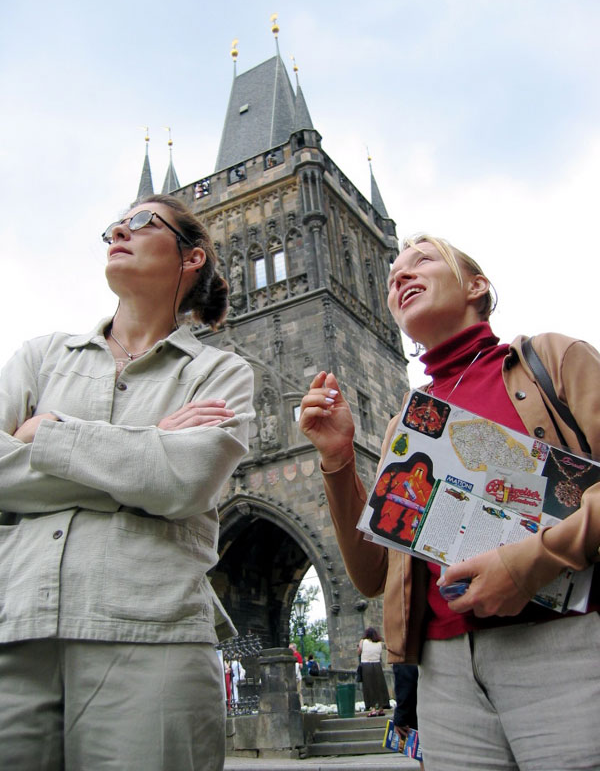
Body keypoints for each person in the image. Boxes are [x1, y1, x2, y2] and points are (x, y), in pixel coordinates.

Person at [300, 234, 600, 770]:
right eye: (392, 277)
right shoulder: (407, 422)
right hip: (444, 674)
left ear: (476, 287)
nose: (400, 276)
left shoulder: (552, 359)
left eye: (423, 261)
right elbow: (373, 575)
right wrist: (338, 459)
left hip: (566, 643)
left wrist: (528, 564)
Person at [0, 194, 255, 771]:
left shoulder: (219, 372)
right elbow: (160, 476)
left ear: (192, 257)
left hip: (152, 635)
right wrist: (148, 444)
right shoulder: (42, 357)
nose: (119, 230)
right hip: (14, 624)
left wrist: (48, 433)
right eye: (114, 225)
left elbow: (184, 482)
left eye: (140, 222)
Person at [358, 626, 390, 715]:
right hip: (377, 665)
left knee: (369, 687)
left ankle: (372, 709)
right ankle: (381, 708)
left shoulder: (363, 642)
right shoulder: (379, 643)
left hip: (366, 665)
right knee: (380, 687)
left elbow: (359, 651)